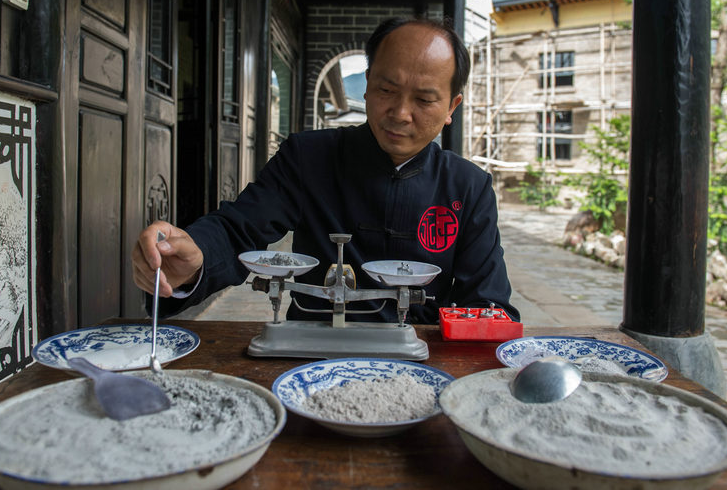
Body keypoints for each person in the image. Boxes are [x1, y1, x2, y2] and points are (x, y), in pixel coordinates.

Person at [132, 16, 518, 324]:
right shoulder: (309, 157)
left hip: (423, 359)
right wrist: (194, 256)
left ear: (452, 106)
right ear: (366, 85)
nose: (401, 113)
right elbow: (238, 229)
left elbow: (486, 304)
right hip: (313, 352)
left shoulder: (469, 187)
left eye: (424, 99)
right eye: (386, 90)